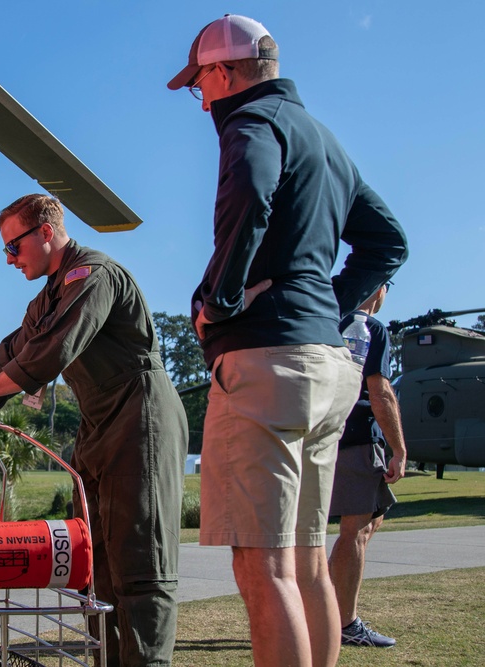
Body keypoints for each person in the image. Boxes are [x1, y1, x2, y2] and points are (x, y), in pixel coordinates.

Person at [167, 14, 408, 667]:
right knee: (304, 562)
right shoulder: (322, 136)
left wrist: (219, 298)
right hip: (328, 366)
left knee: (262, 563)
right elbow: (389, 241)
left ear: (222, 72)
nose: (203, 102)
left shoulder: (251, 124)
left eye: (200, 86)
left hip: (267, 364)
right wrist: (325, 303)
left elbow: (250, 186)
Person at [0, 194, 189, 666]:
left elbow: (50, 354)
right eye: (5, 251)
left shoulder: (92, 275)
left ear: (45, 232)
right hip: (100, 424)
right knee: (97, 568)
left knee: (141, 567)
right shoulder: (49, 296)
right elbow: (17, 348)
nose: (10, 260)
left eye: (13, 247)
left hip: (141, 418)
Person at [329, 282, 407, 648]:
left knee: (370, 521)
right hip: (358, 438)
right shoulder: (370, 327)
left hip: (324, 436)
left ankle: (327, 611)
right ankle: (343, 623)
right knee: (356, 531)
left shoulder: (326, 320)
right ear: (379, 289)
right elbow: (381, 392)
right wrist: (399, 448)